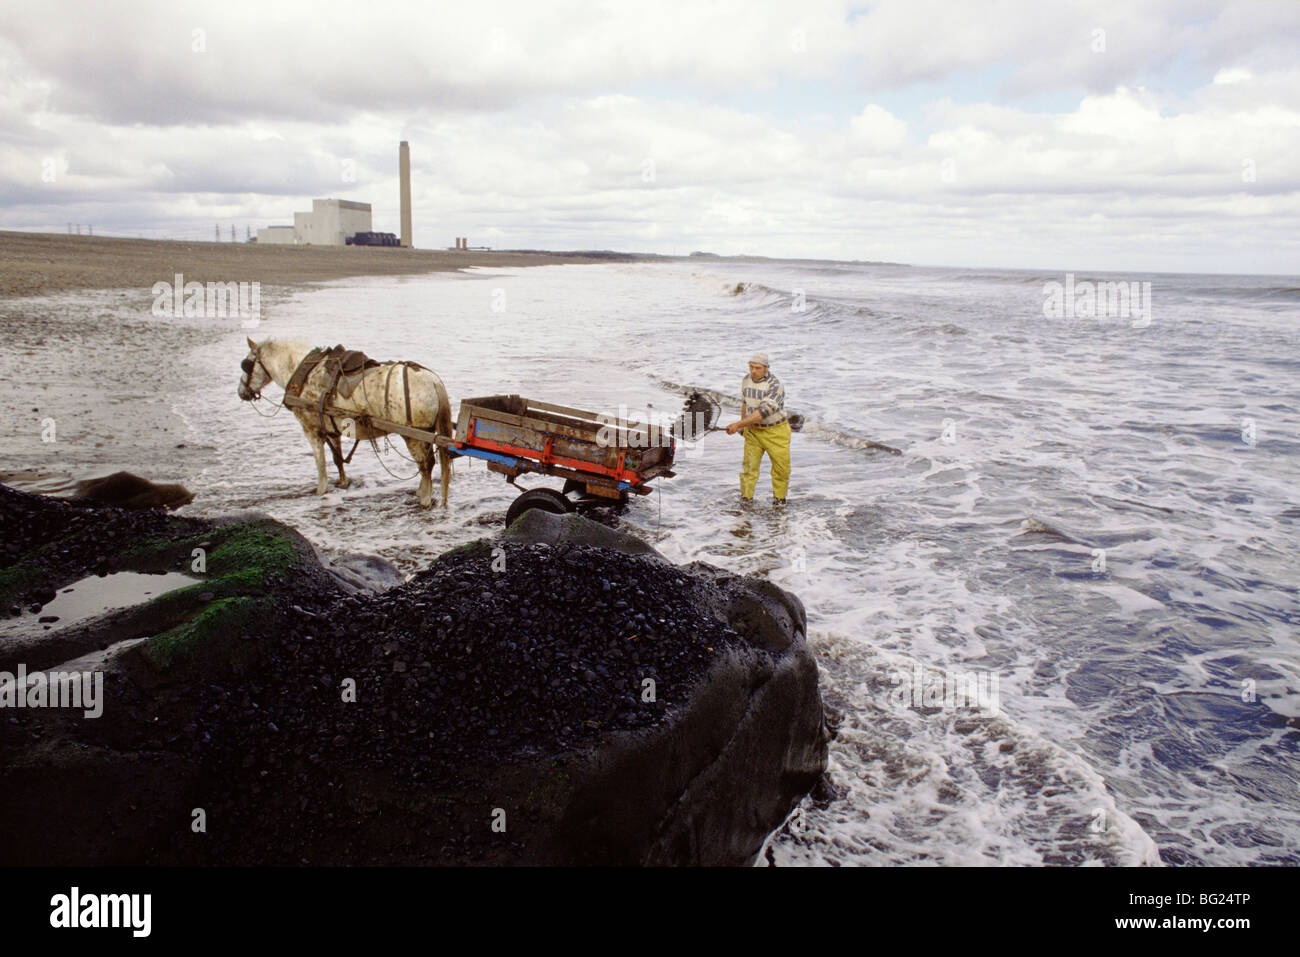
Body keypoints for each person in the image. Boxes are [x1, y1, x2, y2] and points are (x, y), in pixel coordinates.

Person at [725, 351, 790, 504]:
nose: (753, 371)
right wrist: (742, 426)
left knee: (781, 469)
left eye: (758, 368)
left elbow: (762, 412)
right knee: (749, 468)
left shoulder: (775, 384)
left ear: (766, 368)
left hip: (776, 432)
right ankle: (746, 500)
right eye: (751, 367)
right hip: (753, 431)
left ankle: (779, 501)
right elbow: (745, 403)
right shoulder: (746, 380)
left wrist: (738, 425)